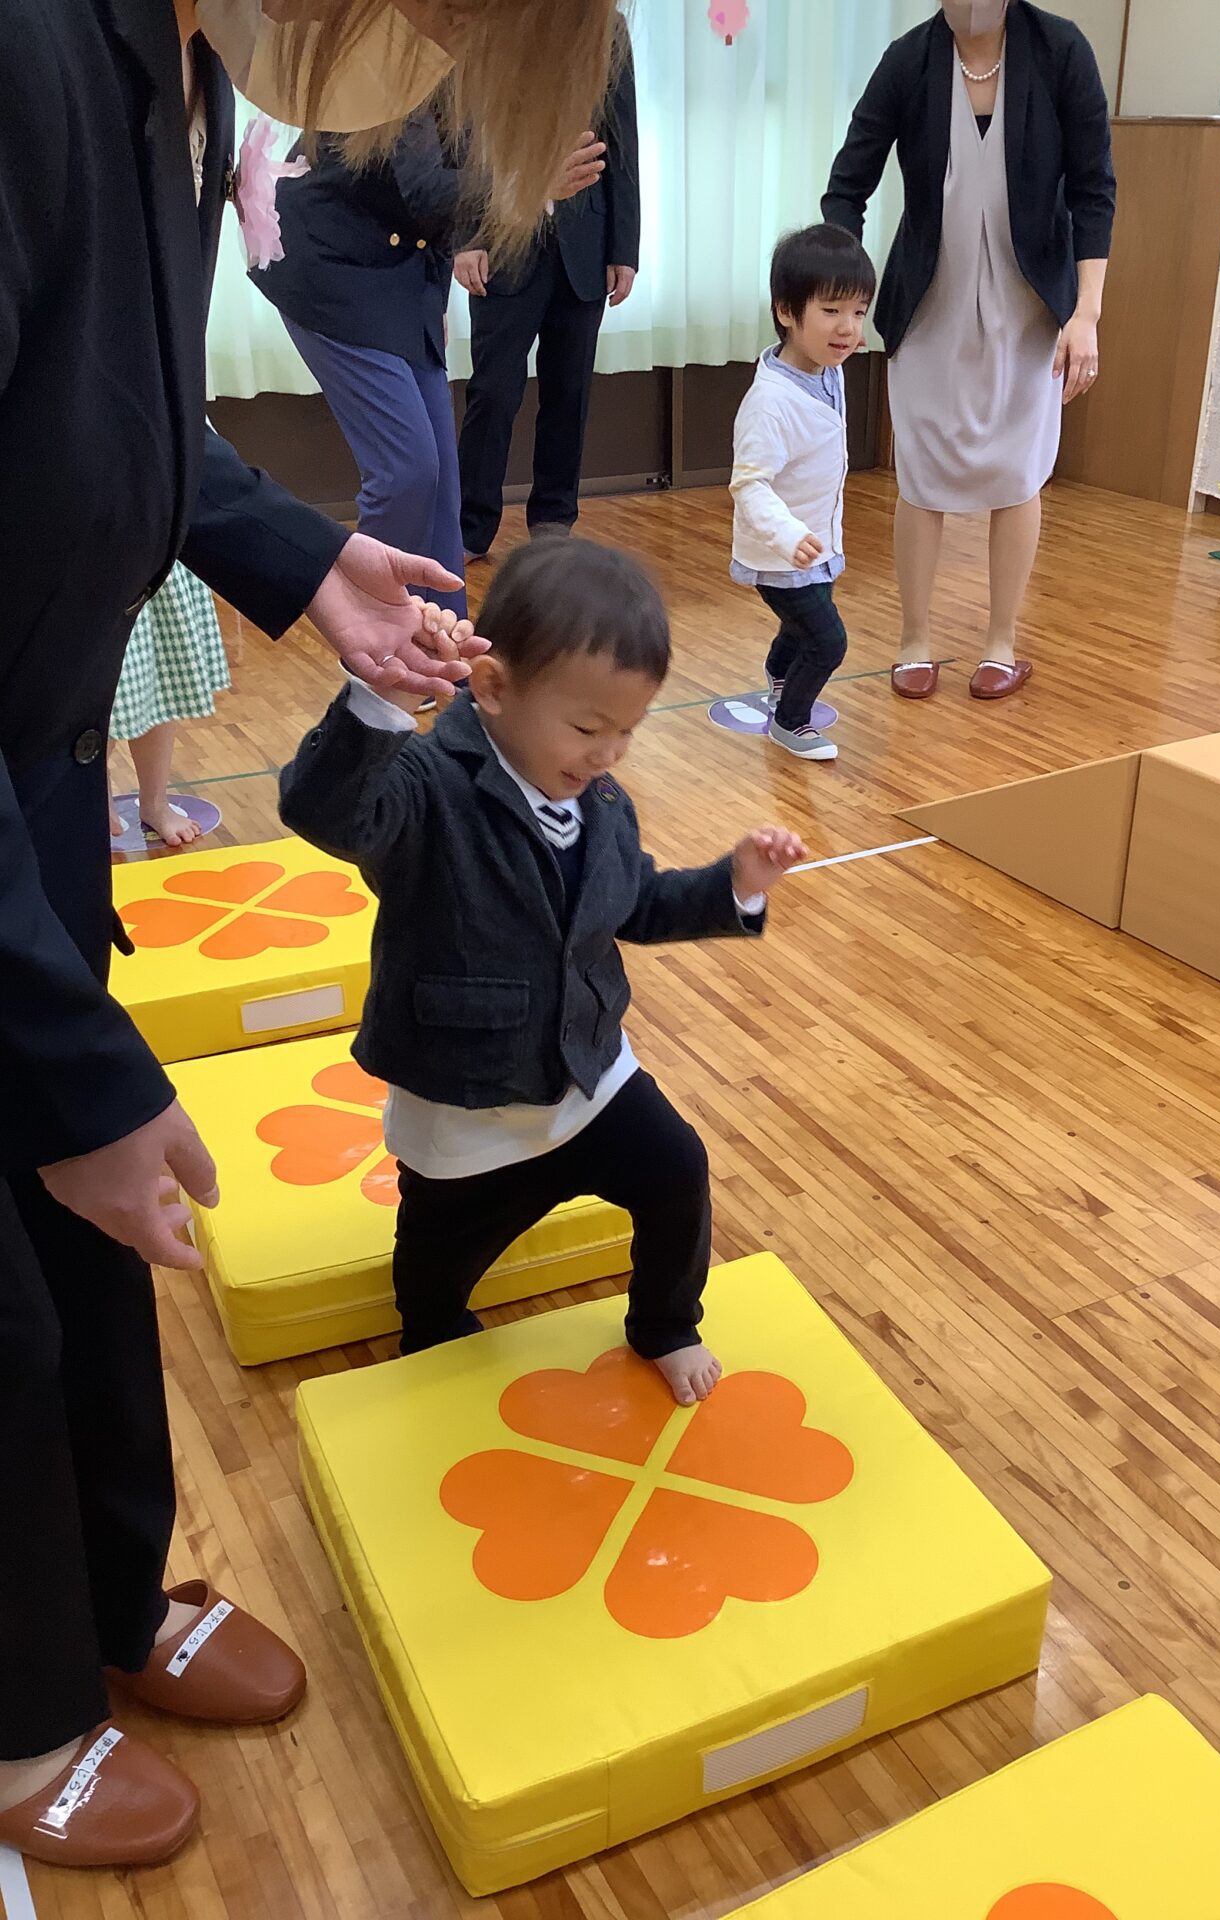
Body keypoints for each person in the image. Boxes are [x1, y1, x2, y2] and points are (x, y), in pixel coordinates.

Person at [0, 0, 621, 1872]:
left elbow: (111, 409)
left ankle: (114, 1603)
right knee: (11, 1278)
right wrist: (70, 1071)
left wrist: (306, 558)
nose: (422, 59)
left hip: (35, 761)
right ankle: (21, 1717)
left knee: (87, 1252)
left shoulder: (173, 72)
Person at [278, 540, 807, 1406]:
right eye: (589, 729)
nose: (609, 754)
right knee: (436, 1268)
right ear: (492, 687)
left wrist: (734, 887)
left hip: (588, 1077)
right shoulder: (427, 784)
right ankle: (434, 1330)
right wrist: (380, 701)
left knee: (677, 1169)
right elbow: (326, 811)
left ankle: (666, 1323)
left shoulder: (600, 801)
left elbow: (636, 903)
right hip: (468, 1103)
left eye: (628, 731)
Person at [823, 0, 1115, 703]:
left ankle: (1000, 644)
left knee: (1018, 470)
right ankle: (914, 641)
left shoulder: (1060, 50)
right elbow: (847, 186)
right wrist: (845, 296)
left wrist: (1086, 312)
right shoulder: (909, 59)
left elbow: (1094, 189)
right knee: (922, 472)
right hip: (931, 300)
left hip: (1029, 307)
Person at [250, 107, 473, 620]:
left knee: (439, 479)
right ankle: (378, 639)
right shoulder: (408, 68)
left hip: (401, 275)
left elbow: (434, 195)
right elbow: (426, 192)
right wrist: (522, 185)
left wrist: (434, 300)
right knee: (406, 471)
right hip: (331, 271)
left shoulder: (468, 81)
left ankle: (444, 643)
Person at [455, 23, 640, 560]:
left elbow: (622, 141)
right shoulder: (485, 21)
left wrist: (624, 248)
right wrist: (466, 237)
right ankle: (469, 528)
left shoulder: (606, 28)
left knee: (569, 391)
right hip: (502, 239)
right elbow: (461, 137)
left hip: (586, 243)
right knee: (493, 392)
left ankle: (554, 521)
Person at [730, 225, 874, 763]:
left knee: (801, 626)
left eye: (858, 312)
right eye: (831, 311)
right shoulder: (769, 403)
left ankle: (778, 676)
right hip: (783, 551)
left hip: (818, 541)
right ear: (786, 312)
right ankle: (791, 721)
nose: (848, 327)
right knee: (827, 640)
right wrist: (787, 535)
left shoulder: (826, 370)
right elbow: (749, 484)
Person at [109, 564, 231, 847]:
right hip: (91, 568)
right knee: (97, 695)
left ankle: (155, 802)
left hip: (158, 563)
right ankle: (96, 799)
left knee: (161, 686)